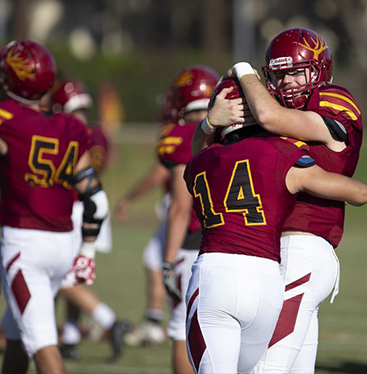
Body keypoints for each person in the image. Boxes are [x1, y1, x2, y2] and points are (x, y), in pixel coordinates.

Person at [0, 40, 108, 374]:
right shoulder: (72, 127)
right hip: (63, 247)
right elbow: (95, 197)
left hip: (26, 248)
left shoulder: (5, 119)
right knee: (16, 334)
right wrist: (87, 251)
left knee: (42, 344)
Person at [194, 28, 363, 373]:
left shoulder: (330, 100)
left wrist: (242, 70)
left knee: (263, 369)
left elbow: (272, 117)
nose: (288, 83)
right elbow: (204, 162)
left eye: (296, 72)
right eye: (280, 75)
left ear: (319, 71)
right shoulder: (265, 122)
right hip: (269, 257)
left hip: (301, 251)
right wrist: (210, 122)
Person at [48, 78, 131, 361]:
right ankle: (70, 337)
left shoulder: (64, 131)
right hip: (96, 204)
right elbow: (110, 161)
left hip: (72, 208)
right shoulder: (100, 134)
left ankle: (109, 321)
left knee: (60, 277)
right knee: (75, 276)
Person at [159, 65, 219, 374]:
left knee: (182, 331)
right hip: (232, 241)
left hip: (192, 246)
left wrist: (167, 262)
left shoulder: (181, 135)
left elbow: (181, 207)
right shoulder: (231, 129)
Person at [115, 90, 175, 347]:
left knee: (173, 265)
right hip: (185, 209)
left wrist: (128, 198)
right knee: (153, 259)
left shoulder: (176, 133)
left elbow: (159, 173)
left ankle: (180, 319)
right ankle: (153, 319)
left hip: (185, 212)